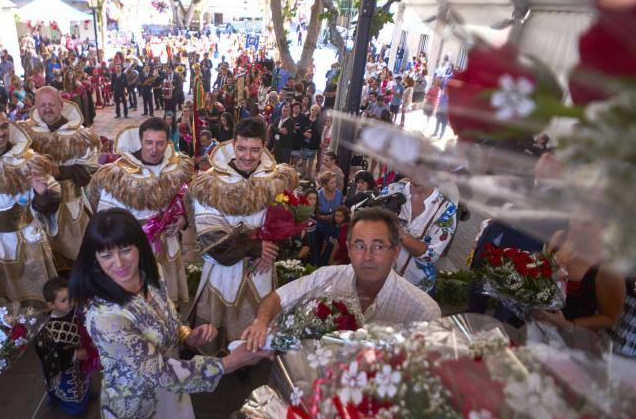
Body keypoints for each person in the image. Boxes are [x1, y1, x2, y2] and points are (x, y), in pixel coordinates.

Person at [71, 209, 271, 419]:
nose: (119, 264)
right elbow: (159, 372)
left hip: (173, 393)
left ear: (139, 246)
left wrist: (187, 336)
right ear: (95, 259)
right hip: (134, 405)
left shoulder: (151, 272)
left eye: (125, 250)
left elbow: (169, 316)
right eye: (106, 255)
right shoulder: (104, 316)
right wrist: (231, 362)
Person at [242, 208, 441, 350]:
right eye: (360, 245)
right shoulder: (327, 277)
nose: (368, 257)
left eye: (378, 247)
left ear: (395, 251)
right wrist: (261, 322)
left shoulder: (422, 311)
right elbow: (277, 298)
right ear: (348, 248)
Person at [188, 117, 297, 347]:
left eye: (255, 150)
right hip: (222, 273)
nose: (248, 157)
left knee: (259, 320)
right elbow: (211, 240)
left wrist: (273, 248)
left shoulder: (276, 180)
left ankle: (250, 356)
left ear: (264, 147)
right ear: (233, 144)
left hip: (262, 270)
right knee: (216, 332)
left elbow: (289, 223)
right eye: (242, 149)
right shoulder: (210, 184)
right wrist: (258, 246)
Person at [88, 118, 194, 305]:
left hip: (167, 241)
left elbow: (185, 199)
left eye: (160, 143)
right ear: (140, 141)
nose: (154, 149)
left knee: (167, 295)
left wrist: (182, 219)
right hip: (133, 246)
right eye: (149, 142)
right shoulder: (118, 175)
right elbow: (108, 220)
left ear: (168, 143)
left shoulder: (176, 168)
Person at [0, 102, 60, 304]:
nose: (0, 133)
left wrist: (42, 193)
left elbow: (50, 205)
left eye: (4, 126)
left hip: (27, 239)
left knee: (36, 300)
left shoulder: (28, 159)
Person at [22, 86, 100, 270]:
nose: (47, 109)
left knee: (77, 253)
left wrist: (58, 172)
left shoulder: (81, 135)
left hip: (71, 203)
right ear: (35, 106)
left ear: (61, 104)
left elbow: (89, 168)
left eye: (51, 104)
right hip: (37, 204)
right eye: (42, 105)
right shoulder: (26, 133)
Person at [535, 216, 626, 331]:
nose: (576, 227)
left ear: (605, 228)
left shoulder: (608, 268)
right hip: (534, 319)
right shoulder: (559, 237)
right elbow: (537, 278)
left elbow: (609, 318)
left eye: (587, 223)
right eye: (575, 218)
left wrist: (568, 325)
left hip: (567, 338)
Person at [383, 173, 457, 292]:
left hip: (415, 286)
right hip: (381, 276)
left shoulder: (446, 209)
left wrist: (400, 234)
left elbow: (431, 254)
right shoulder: (392, 190)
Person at [34, 276, 95, 416]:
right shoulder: (47, 329)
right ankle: (71, 407)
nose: (70, 302)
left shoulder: (76, 310)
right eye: (63, 300)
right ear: (51, 305)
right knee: (72, 392)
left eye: (71, 297)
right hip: (65, 368)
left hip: (81, 361)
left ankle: (85, 395)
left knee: (84, 380)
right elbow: (47, 354)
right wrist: (74, 354)